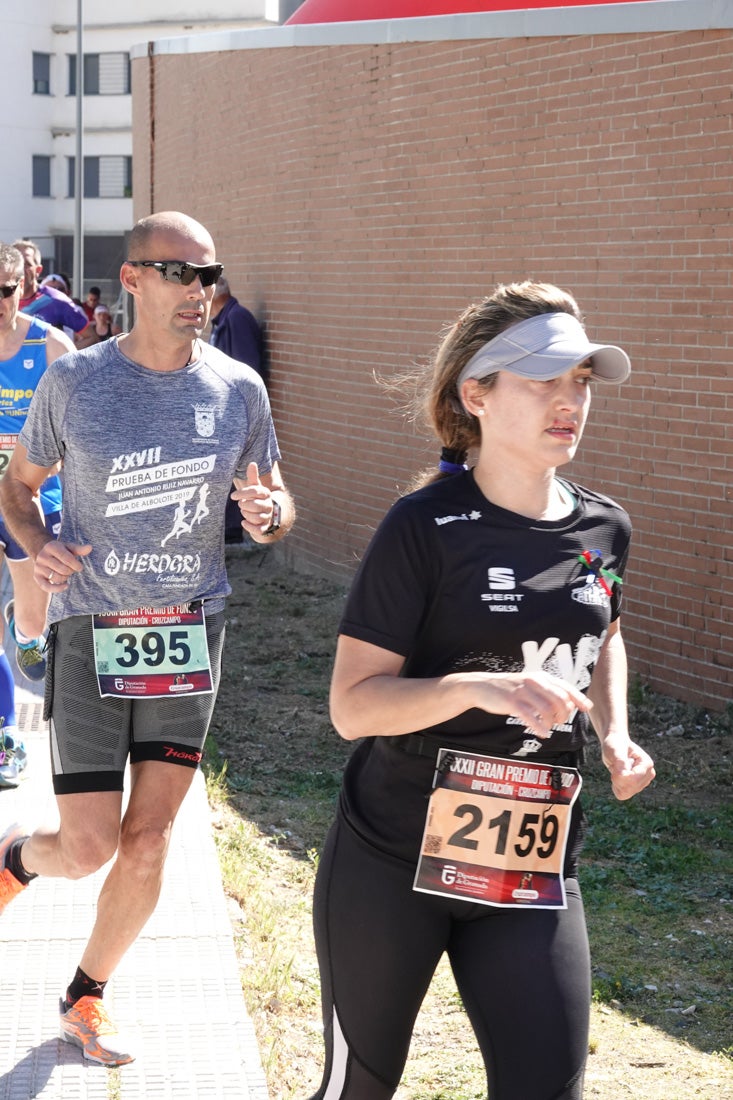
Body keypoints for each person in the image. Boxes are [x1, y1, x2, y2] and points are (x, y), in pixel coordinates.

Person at [308, 281, 656, 1100]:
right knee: (355, 1090)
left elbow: (602, 634)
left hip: (530, 866)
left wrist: (613, 732)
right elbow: (352, 705)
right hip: (393, 861)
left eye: (580, 382)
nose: (569, 401)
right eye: (544, 381)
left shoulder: (604, 527)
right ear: (477, 394)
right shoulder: (422, 527)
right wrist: (483, 689)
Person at [0, 211, 295, 1065]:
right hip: (92, 627)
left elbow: (272, 500)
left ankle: (87, 997)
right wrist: (37, 543)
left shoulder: (237, 388)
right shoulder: (77, 382)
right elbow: (18, 488)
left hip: (188, 630)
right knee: (87, 846)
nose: (200, 292)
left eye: (209, 277)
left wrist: (272, 516)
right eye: (180, 274)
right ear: (132, 281)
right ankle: (19, 856)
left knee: (151, 836)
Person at [0, 244, 73, 701]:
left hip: (30, 495)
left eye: (4, 290)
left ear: (22, 287)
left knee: (33, 623)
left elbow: (78, 436)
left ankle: (22, 628)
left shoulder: (51, 347)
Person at [209, 275, 268, 543]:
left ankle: (234, 531)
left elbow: (246, 372)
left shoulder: (236, 319)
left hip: (236, 417)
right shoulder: (223, 320)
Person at [13, 239, 89, 337]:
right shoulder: (3, 300)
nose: (21, 269)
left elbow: (91, 337)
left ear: (38, 270)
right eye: (16, 263)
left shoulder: (55, 300)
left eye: (27, 264)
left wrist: (66, 351)